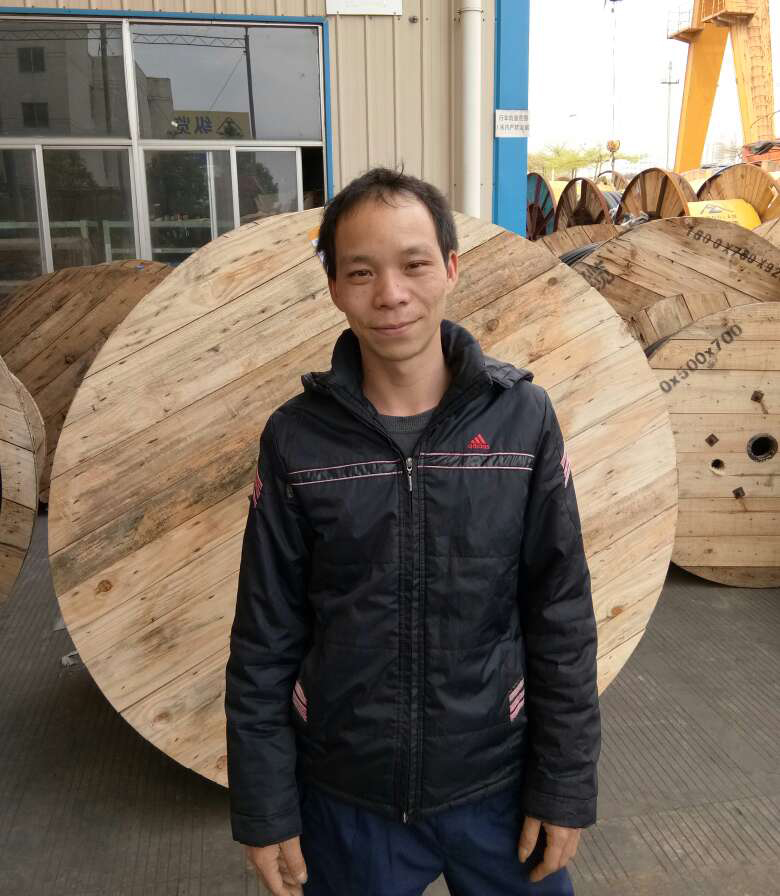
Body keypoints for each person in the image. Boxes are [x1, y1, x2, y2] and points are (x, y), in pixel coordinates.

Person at [225, 167, 601, 896]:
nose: (391, 294)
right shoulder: (297, 440)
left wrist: (563, 785)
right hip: (346, 799)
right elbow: (265, 635)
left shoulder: (522, 421)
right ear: (334, 287)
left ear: (452, 269)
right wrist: (265, 808)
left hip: (498, 788)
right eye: (361, 271)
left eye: (415, 264)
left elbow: (561, 615)